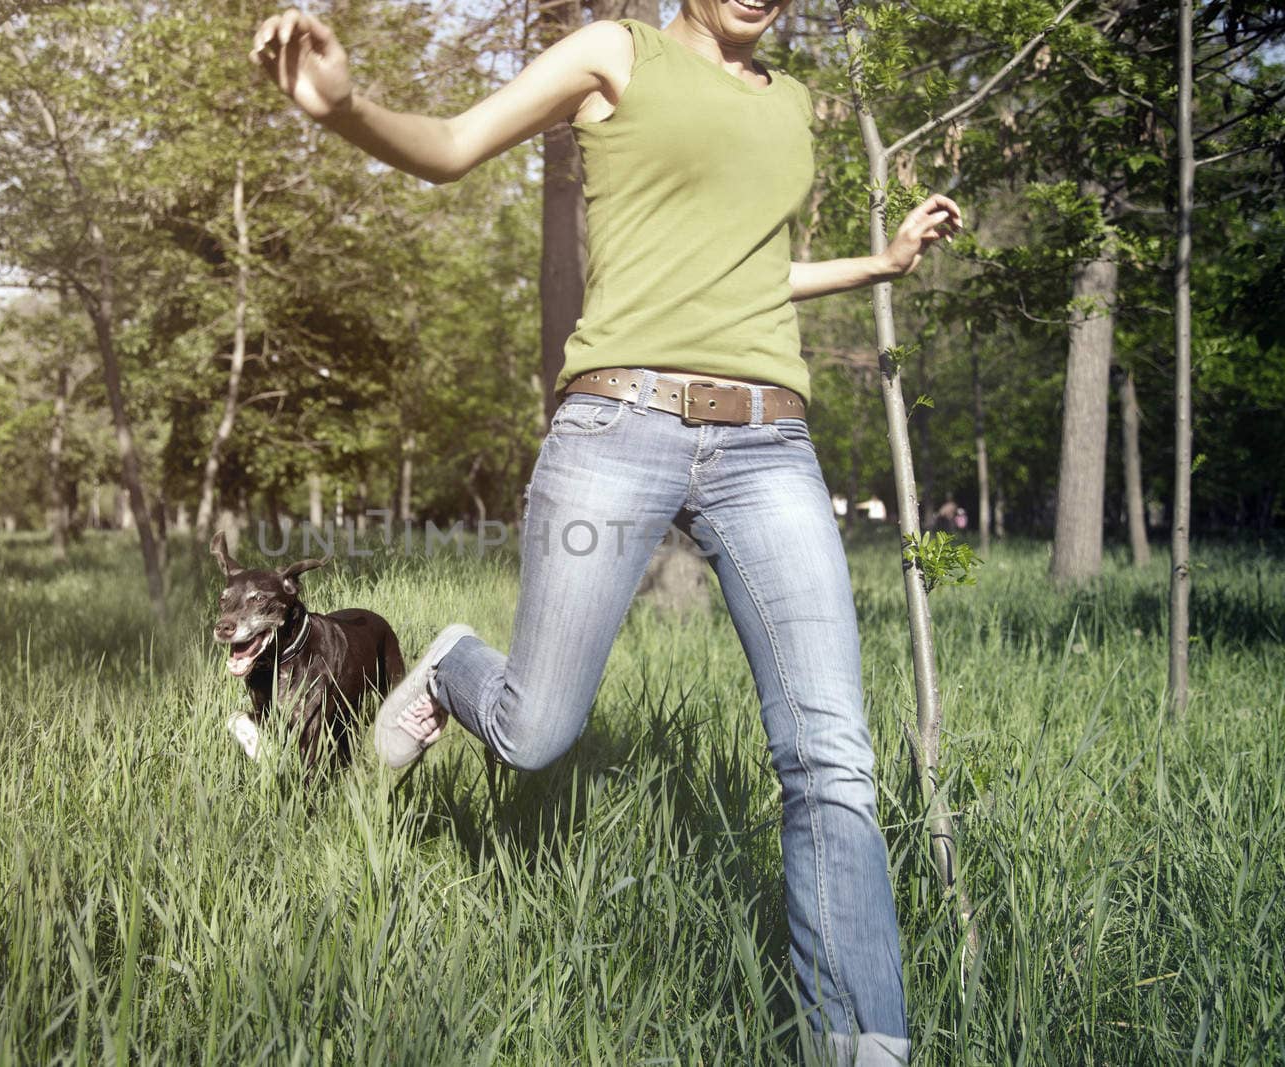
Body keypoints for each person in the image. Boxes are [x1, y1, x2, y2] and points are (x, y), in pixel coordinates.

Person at [250, 3, 960, 1062]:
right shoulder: (613, 52)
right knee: (537, 731)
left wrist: (879, 265)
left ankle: (859, 1043)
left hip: (770, 444)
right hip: (615, 427)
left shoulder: (796, 104)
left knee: (829, 756)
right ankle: (450, 670)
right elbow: (449, 148)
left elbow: (745, 273)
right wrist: (344, 105)